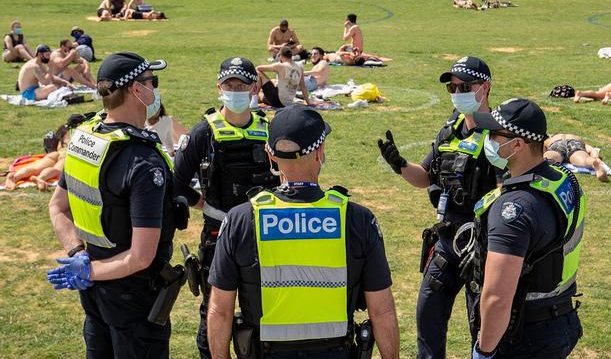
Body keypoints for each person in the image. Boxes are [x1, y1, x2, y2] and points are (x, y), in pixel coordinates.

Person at [206, 104, 400, 359]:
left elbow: (220, 311)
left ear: (270, 154)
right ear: (320, 152)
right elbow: (381, 311)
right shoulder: (357, 219)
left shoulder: (241, 219)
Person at [45, 52, 186, 358]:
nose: (155, 90)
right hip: (134, 298)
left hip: (95, 292)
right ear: (136, 89)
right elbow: (140, 257)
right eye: (153, 82)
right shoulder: (143, 162)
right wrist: (90, 270)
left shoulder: (85, 138)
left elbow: (57, 207)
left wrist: (79, 255)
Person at [378, 56, 499, 358]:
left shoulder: (498, 134)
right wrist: (400, 164)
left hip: (481, 247)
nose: (458, 93)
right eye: (453, 88)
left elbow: (506, 193)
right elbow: (424, 177)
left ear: (485, 88)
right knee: (428, 318)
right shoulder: (450, 129)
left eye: (465, 87)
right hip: (446, 243)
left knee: (482, 329)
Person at [172, 56, 281, 359]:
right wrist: (203, 204)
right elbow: (177, 183)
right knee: (215, 307)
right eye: (229, 84)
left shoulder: (268, 129)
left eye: (242, 84)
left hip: (264, 233)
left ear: (253, 88)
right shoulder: (202, 132)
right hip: (218, 231)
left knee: (261, 306)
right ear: (219, 88)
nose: (235, 90)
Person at [468, 98, 584, 358]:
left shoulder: (513, 210)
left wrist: (484, 351)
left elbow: (498, 298)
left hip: (523, 335)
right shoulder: (561, 178)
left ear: (517, 144)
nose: (488, 140)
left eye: (494, 134)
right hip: (560, 318)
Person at [4, 114, 85, 191]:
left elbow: (56, 145)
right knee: (56, 170)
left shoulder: (63, 129)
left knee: (36, 168)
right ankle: (40, 178)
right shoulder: (82, 132)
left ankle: (14, 177)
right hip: (67, 155)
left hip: (56, 153)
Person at [544, 133, 609, 182]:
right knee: (584, 161)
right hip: (574, 143)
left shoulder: (550, 139)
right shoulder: (577, 138)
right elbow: (591, 149)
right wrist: (595, 157)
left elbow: (541, 148)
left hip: (557, 144)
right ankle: (593, 162)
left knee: (547, 160)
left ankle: (546, 163)